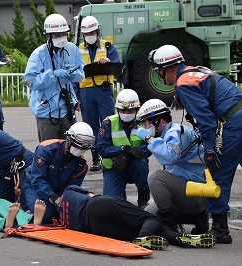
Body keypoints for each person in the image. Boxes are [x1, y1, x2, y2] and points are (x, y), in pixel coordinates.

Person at [148, 44, 242, 243]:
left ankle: (220, 229)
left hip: (236, 122)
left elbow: (206, 120)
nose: (160, 77)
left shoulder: (183, 83)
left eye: (158, 71)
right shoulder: (197, 71)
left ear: (165, 68)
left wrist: (210, 148)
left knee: (217, 172)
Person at [59, 185, 216, 250]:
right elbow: (89, 193)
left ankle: (178, 238)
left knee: (146, 228)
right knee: (152, 220)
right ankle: (143, 238)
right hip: (98, 205)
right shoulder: (67, 191)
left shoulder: (61, 219)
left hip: (94, 228)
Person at [134, 98, 208, 234]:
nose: (145, 128)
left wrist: (149, 139)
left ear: (159, 120)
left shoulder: (178, 132)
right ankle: (196, 219)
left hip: (195, 194)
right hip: (184, 192)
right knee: (144, 217)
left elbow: (170, 156)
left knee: (155, 176)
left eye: (146, 123)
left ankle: (170, 225)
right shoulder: (166, 134)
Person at [24, 13, 85, 142]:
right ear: (48, 35)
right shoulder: (38, 54)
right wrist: (52, 74)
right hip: (47, 111)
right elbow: (31, 81)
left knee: (71, 149)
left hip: (67, 108)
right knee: (49, 150)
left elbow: (81, 72)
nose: (62, 38)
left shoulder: (72, 49)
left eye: (64, 34)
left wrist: (75, 75)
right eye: (58, 35)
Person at [22, 122, 95, 224]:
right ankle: (26, 209)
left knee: (64, 216)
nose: (80, 151)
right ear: (68, 140)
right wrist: (52, 196)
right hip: (36, 188)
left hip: (58, 195)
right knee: (45, 216)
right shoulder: (46, 149)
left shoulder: (82, 165)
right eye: (77, 146)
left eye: (83, 149)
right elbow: (37, 178)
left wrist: (60, 200)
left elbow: (71, 188)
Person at [77, 16, 120, 172]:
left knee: (108, 123)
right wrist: (77, 98)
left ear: (97, 31)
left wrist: (108, 61)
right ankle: (96, 158)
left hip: (103, 90)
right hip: (86, 92)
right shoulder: (78, 48)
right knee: (90, 125)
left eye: (92, 32)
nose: (90, 35)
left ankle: (112, 155)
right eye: (87, 33)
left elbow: (117, 67)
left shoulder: (108, 46)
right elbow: (75, 75)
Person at [97, 89, 150, 208]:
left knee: (140, 163)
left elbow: (150, 146)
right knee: (111, 204)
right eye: (123, 110)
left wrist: (128, 155)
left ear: (137, 109)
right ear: (117, 110)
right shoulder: (108, 123)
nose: (126, 112)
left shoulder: (143, 122)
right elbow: (102, 149)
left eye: (130, 110)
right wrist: (123, 149)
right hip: (114, 167)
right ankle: (120, 193)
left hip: (134, 168)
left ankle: (143, 196)